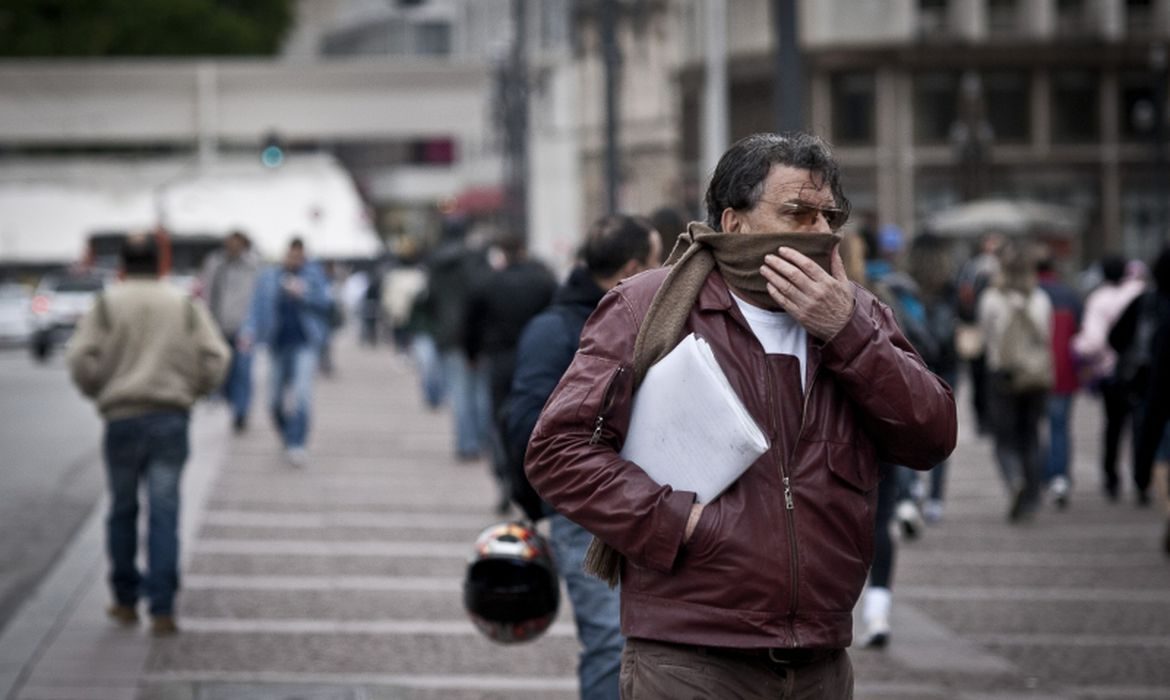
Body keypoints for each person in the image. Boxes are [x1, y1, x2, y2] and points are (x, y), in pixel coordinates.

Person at [525, 132, 957, 697]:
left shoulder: (860, 311)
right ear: (733, 222)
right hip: (692, 655)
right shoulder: (648, 306)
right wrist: (679, 523)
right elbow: (558, 450)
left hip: (820, 658)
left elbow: (931, 434)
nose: (821, 232)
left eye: (830, 216)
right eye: (798, 213)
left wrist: (848, 333)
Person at [503, 214, 662, 700]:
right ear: (633, 268)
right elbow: (524, 425)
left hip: (645, 503)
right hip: (585, 510)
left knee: (646, 647)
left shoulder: (641, 319)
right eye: (659, 263)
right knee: (610, 645)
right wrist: (538, 503)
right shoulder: (557, 330)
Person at [66, 235, 230, 635]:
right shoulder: (182, 305)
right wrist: (194, 390)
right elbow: (218, 356)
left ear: (122, 264)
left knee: (122, 509)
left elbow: (78, 356)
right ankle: (162, 606)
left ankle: (124, 600)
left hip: (122, 416)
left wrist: (98, 390)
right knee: (165, 511)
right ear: (160, 264)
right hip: (170, 417)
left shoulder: (107, 304)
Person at [464, 231, 557, 513]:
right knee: (538, 419)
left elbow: (471, 321)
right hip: (536, 358)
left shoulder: (489, 283)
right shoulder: (544, 282)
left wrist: (472, 353)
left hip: (499, 359)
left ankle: (505, 476)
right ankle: (534, 479)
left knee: (500, 422)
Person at [239, 238, 334, 467]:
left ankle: (297, 442)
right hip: (277, 344)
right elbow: (256, 307)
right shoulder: (270, 276)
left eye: (299, 256)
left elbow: (328, 303)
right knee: (272, 400)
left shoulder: (313, 275)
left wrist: (304, 293)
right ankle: (287, 434)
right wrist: (248, 331)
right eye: (291, 255)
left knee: (302, 395)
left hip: (305, 343)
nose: (294, 260)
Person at [977, 241, 1053, 523]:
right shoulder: (1041, 299)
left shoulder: (991, 298)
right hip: (1035, 376)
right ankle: (1032, 499)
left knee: (1004, 439)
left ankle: (1013, 481)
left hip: (1003, 375)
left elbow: (985, 337)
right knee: (1031, 437)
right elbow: (1046, 336)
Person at [1072, 256, 1147, 501]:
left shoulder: (1099, 299)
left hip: (1110, 372)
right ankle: (1142, 479)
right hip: (1141, 371)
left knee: (1113, 426)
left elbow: (1092, 341)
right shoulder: (1140, 293)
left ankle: (1111, 477)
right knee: (1141, 426)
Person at [425, 219, 492, 461]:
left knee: (459, 392)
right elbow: (485, 293)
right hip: (476, 332)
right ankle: (483, 440)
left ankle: (466, 443)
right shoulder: (476, 259)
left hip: (448, 333)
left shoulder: (435, 262)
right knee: (480, 391)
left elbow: (430, 298)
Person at [1109, 248, 1170, 514]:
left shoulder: (1147, 302)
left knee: (1150, 435)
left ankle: (1157, 495)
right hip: (1149, 382)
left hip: (1147, 383)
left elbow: (1115, 337)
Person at [199, 230, 260, 433]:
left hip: (244, 327)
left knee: (243, 371)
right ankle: (226, 400)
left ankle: (241, 413)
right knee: (223, 370)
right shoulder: (215, 263)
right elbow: (207, 292)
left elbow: (257, 297)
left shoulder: (252, 265)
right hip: (219, 325)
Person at [1036, 256, 1082, 508]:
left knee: (1035, 428)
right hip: (1064, 372)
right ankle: (1060, 477)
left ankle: (1042, 475)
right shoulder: (1070, 295)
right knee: (1060, 427)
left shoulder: (1030, 294)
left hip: (1034, 373)